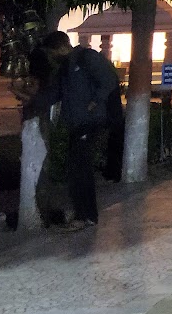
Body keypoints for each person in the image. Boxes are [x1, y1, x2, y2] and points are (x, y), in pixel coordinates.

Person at [37, 31, 120, 228]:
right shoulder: (65, 67)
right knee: (76, 169)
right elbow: (56, 93)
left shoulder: (86, 58)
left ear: (61, 48)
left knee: (80, 170)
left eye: (51, 52)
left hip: (90, 122)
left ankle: (86, 216)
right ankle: (83, 214)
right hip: (76, 124)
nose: (51, 57)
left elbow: (109, 80)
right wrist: (33, 101)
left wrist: (95, 102)